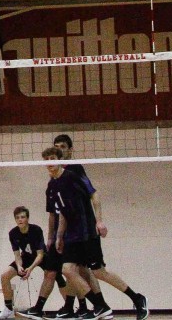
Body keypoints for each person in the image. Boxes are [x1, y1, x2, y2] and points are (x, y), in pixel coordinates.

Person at [52, 135, 149, 320]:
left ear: (70, 150)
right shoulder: (55, 179)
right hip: (72, 235)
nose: (59, 150)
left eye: (63, 147)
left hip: (87, 230)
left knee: (98, 272)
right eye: (56, 147)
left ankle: (137, 299)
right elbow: (63, 211)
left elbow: (94, 195)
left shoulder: (76, 170)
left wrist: (99, 221)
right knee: (68, 270)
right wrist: (59, 236)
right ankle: (96, 306)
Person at [20, 149, 93, 320]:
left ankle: (85, 308)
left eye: (53, 158)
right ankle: (38, 308)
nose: (50, 162)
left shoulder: (70, 177)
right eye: (46, 160)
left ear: (60, 159)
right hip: (58, 236)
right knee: (50, 272)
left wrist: (62, 235)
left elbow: (68, 212)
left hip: (73, 235)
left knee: (73, 271)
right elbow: (52, 214)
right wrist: (51, 237)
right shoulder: (51, 186)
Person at [0, 207, 44, 319]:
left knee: (55, 276)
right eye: (17, 218)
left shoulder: (36, 230)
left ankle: (68, 307)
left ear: (27, 218)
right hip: (26, 257)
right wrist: (19, 266)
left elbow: (40, 254)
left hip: (40, 257)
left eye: (22, 217)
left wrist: (30, 269)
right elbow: (17, 255)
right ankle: (8, 310)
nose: (20, 220)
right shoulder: (13, 233)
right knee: (4, 276)